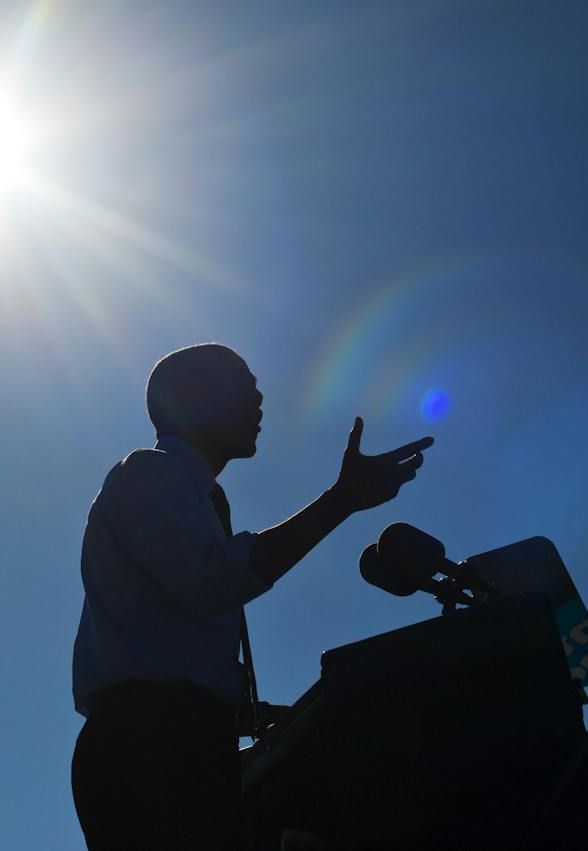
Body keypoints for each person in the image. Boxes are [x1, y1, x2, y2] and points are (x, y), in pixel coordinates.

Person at [70, 342, 434, 849]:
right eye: (240, 381)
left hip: (185, 747)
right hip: (149, 749)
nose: (258, 397)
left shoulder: (196, 498)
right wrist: (342, 501)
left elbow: (175, 650)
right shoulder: (147, 474)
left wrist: (267, 717)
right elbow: (214, 581)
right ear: (188, 398)